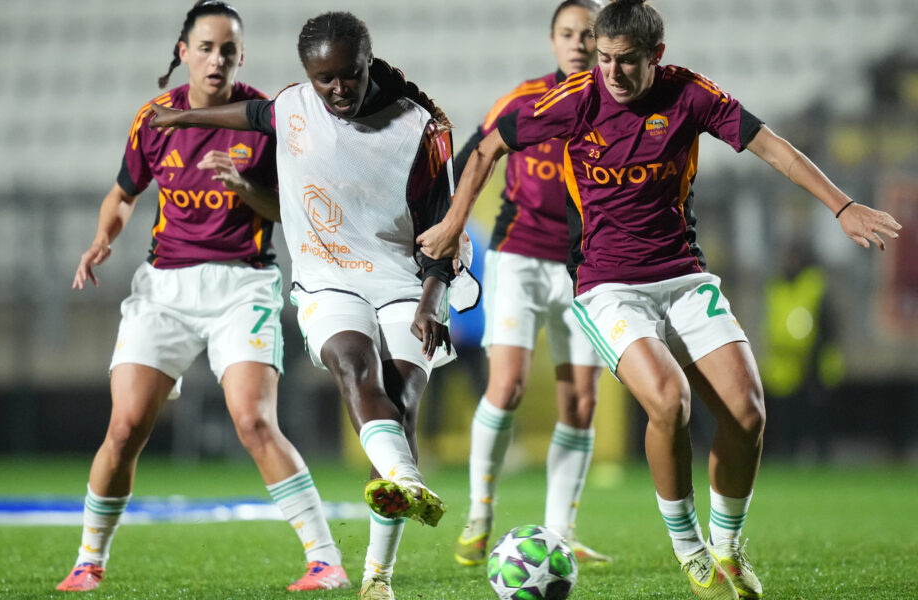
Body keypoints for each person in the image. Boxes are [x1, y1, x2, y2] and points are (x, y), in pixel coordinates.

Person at [417, 1, 902, 598]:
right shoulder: (574, 99)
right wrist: (453, 224)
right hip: (605, 287)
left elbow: (770, 145)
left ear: (657, 57)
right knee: (668, 401)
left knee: (748, 413)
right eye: (604, 60)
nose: (613, 74)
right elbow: (489, 147)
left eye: (626, 62)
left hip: (684, 278)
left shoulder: (689, 94)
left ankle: (727, 546)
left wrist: (842, 205)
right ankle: (689, 547)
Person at [147, 11, 478, 600]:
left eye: (349, 76)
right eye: (324, 79)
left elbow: (441, 231)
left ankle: (378, 576)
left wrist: (432, 300)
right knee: (354, 365)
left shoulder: (419, 129)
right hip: (327, 280)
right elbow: (251, 115)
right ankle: (405, 478)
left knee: (400, 405)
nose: (337, 90)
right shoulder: (295, 104)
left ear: (367, 63)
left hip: (407, 281)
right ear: (308, 74)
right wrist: (183, 115)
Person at [56, 1, 348, 593]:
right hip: (164, 287)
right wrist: (100, 239)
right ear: (183, 52)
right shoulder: (155, 119)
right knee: (125, 426)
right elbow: (122, 194)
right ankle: (89, 562)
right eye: (207, 47)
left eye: (229, 49)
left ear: (242, 56)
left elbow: (293, 216)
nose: (218, 58)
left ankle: (325, 560)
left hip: (243, 283)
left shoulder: (266, 120)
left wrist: (245, 188)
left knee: (253, 420)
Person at [451, 0, 611, 568]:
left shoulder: (616, 107)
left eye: (588, 35)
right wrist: (452, 224)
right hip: (517, 256)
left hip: (582, 267)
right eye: (568, 34)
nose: (578, 44)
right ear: (553, 41)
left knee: (581, 401)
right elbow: (473, 155)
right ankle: (479, 512)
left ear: (602, 42)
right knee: (508, 386)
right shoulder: (523, 100)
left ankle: (560, 534)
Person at [760, 242, 843, 460]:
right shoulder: (776, 285)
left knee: (817, 415)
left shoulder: (814, 284)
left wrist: (815, 358)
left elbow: (827, 324)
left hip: (813, 362)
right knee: (786, 417)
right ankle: (789, 454)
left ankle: (820, 457)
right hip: (783, 364)